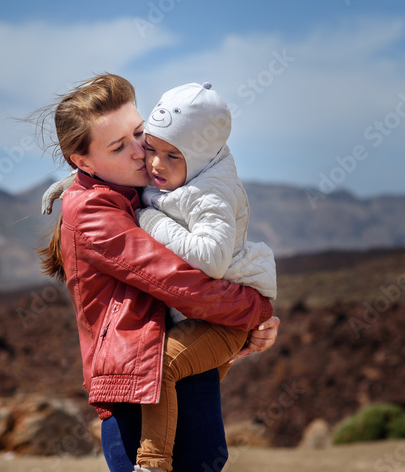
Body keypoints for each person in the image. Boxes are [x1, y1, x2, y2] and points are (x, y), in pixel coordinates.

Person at [33, 73, 279, 471]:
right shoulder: (95, 211)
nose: (141, 154)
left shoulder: (133, 189)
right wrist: (256, 311)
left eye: (139, 134)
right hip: (138, 398)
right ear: (83, 162)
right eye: (118, 146)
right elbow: (182, 286)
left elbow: (198, 148)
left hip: (173, 385)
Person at [130, 82, 277, 471]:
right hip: (199, 314)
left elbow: (211, 259)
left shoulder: (211, 194)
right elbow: (117, 178)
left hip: (223, 321)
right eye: (151, 148)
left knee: (161, 366)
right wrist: (78, 185)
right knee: (190, 402)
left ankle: (152, 463)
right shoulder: (176, 176)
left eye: (172, 155)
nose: (156, 165)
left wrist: (149, 220)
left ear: (199, 156)